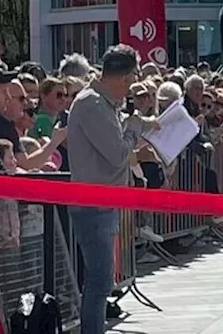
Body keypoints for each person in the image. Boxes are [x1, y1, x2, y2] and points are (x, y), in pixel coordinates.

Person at [67, 45, 158, 334]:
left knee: (101, 280)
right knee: (99, 281)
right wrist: (134, 128)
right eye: (131, 81)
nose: (130, 88)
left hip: (102, 201)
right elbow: (117, 154)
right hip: (93, 204)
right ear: (124, 76)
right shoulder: (92, 104)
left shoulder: (101, 103)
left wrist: (137, 126)